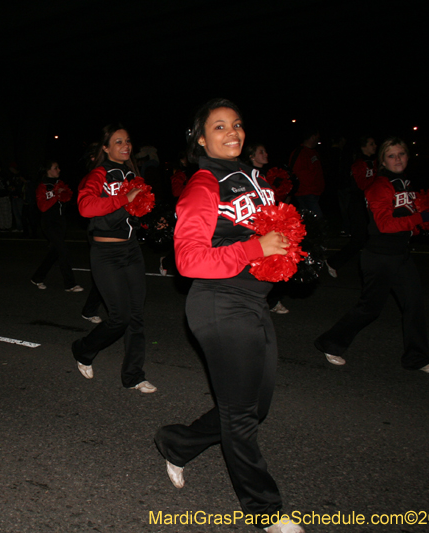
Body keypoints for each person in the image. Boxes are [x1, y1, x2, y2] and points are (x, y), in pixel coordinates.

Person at [154, 99, 304, 533]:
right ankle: (266, 512)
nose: (232, 132)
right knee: (240, 417)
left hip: (252, 301)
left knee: (254, 408)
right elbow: (188, 260)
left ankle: (177, 443)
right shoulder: (203, 185)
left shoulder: (252, 178)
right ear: (201, 139)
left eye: (236, 124)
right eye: (219, 127)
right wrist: (257, 248)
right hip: (220, 304)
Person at [314, 137, 429, 374]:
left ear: (408, 156)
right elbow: (384, 225)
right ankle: (329, 342)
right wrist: (419, 218)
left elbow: (404, 216)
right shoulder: (380, 186)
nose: (397, 159)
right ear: (382, 161)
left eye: (401, 154)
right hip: (380, 257)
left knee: (414, 305)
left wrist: (421, 225)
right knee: (370, 309)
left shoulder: (404, 184)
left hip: (401, 255)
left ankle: (417, 358)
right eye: (391, 156)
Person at [71, 124, 155, 394]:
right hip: (106, 254)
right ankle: (83, 349)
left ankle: (133, 376)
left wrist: (150, 219)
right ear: (106, 148)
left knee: (137, 316)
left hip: (132, 250)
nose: (125, 146)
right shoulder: (100, 173)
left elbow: (132, 212)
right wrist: (123, 198)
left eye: (127, 141)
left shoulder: (132, 174)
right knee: (120, 317)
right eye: (118, 142)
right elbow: (85, 207)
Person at [243, 142, 289, 314]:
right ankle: (267, 301)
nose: (266, 154)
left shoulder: (266, 175)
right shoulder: (246, 176)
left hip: (270, 223)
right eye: (261, 152)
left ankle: (270, 300)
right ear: (252, 156)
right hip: (257, 226)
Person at [324, 135, 377, 277]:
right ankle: (333, 262)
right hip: (358, 205)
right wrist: (376, 180)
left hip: (370, 205)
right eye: (371, 144)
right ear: (363, 147)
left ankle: (375, 269)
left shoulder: (374, 162)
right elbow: (361, 185)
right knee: (359, 239)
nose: (375, 146)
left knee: (373, 238)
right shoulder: (358, 164)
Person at [30, 161, 83, 292]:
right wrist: (55, 195)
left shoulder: (60, 183)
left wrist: (64, 195)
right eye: (55, 168)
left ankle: (37, 277)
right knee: (63, 251)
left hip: (60, 222)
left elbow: (67, 199)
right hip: (49, 223)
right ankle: (70, 284)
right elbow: (42, 207)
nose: (59, 170)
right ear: (48, 170)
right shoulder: (42, 186)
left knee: (55, 252)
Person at [289, 128, 325, 218]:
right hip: (305, 192)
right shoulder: (300, 152)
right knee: (318, 219)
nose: (318, 140)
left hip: (314, 192)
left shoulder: (314, 152)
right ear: (312, 137)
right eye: (317, 137)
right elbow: (296, 172)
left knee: (307, 219)